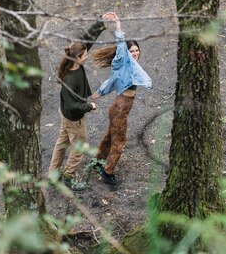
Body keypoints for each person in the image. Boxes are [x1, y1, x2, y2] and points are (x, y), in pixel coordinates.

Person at [91, 12, 152, 185]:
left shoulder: (130, 66)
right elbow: (121, 46)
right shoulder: (123, 59)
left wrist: (101, 92)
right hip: (120, 108)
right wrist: (118, 25)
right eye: (131, 51)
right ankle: (107, 170)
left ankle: (98, 160)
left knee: (110, 136)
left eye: (137, 50)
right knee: (120, 141)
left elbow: (113, 79)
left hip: (119, 107)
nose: (135, 53)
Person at [48, 19, 106, 191]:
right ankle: (68, 175)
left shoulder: (74, 61)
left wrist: (101, 22)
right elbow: (74, 105)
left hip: (66, 114)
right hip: (73, 118)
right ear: (78, 58)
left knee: (62, 142)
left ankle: (53, 172)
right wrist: (90, 106)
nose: (87, 56)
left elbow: (87, 40)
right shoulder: (69, 80)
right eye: (85, 56)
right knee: (79, 146)